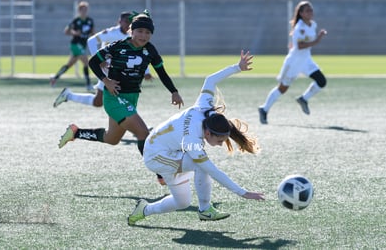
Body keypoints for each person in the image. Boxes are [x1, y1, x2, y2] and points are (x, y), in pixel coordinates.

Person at [127, 50, 265, 226]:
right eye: (220, 141)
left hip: (167, 150)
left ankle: (144, 210)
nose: (221, 144)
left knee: (182, 202)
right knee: (203, 167)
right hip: (156, 155)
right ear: (207, 133)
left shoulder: (205, 106)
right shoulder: (193, 140)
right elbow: (213, 170)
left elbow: (210, 80)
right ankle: (205, 210)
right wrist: (242, 192)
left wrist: (237, 67)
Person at [57, 12, 184, 185]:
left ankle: (76, 132)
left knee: (112, 139)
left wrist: (174, 91)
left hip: (131, 98)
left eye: (148, 33)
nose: (144, 36)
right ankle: (161, 174)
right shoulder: (117, 46)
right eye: (140, 31)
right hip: (114, 98)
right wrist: (106, 81)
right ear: (131, 31)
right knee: (143, 133)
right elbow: (94, 62)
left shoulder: (150, 50)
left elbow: (161, 72)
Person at [53, 11, 153, 108]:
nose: (128, 23)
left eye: (130, 21)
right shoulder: (111, 33)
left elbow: (139, 53)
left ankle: (68, 95)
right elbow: (91, 41)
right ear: (120, 21)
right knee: (120, 96)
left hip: (122, 70)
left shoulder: (133, 35)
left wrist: (146, 71)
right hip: (108, 71)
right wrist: (99, 60)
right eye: (126, 21)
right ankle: (130, 123)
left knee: (99, 101)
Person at [258, 0, 328, 124]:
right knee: (282, 89)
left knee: (321, 81)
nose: (311, 12)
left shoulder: (312, 25)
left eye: (311, 9)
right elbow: (300, 46)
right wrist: (317, 40)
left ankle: (304, 99)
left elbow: (301, 43)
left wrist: (317, 37)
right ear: (301, 13)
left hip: (306, 60)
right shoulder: (299, 27)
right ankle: (264, 109)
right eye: (307, 10)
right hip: (294, 62)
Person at [50, 1, 95, 91]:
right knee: (86, 62)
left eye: (86, 9)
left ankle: (54, 78)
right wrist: (74, 33)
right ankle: (88, 84)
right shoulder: (76, 21)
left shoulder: (90, 21)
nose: (84, 11)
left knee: (69, 64)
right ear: (79, 10)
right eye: (82, 9)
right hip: (75, 44)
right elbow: (66, 31)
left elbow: (92, 33)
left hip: (83, 45)